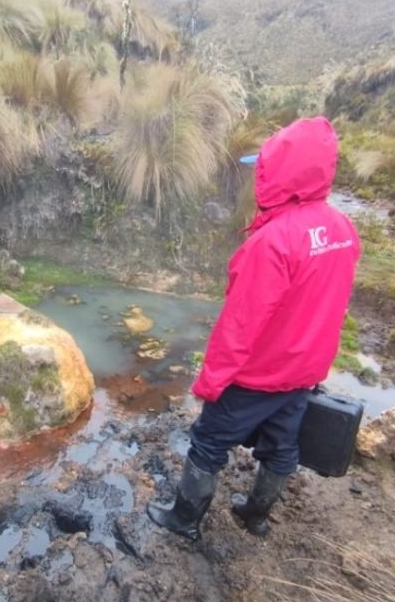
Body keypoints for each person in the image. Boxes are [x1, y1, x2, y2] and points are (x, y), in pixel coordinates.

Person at [148, 116, 361, 542]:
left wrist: (211, 382)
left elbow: (240, 327)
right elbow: (330, 304)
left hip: (257, 374)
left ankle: (185, 519)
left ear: (279, 174)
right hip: (303, 372)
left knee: (209, 441)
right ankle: (255, 515)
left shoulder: (272, 242)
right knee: (283, 445)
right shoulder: (342, 229)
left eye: (260, 168)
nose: (255, 177)